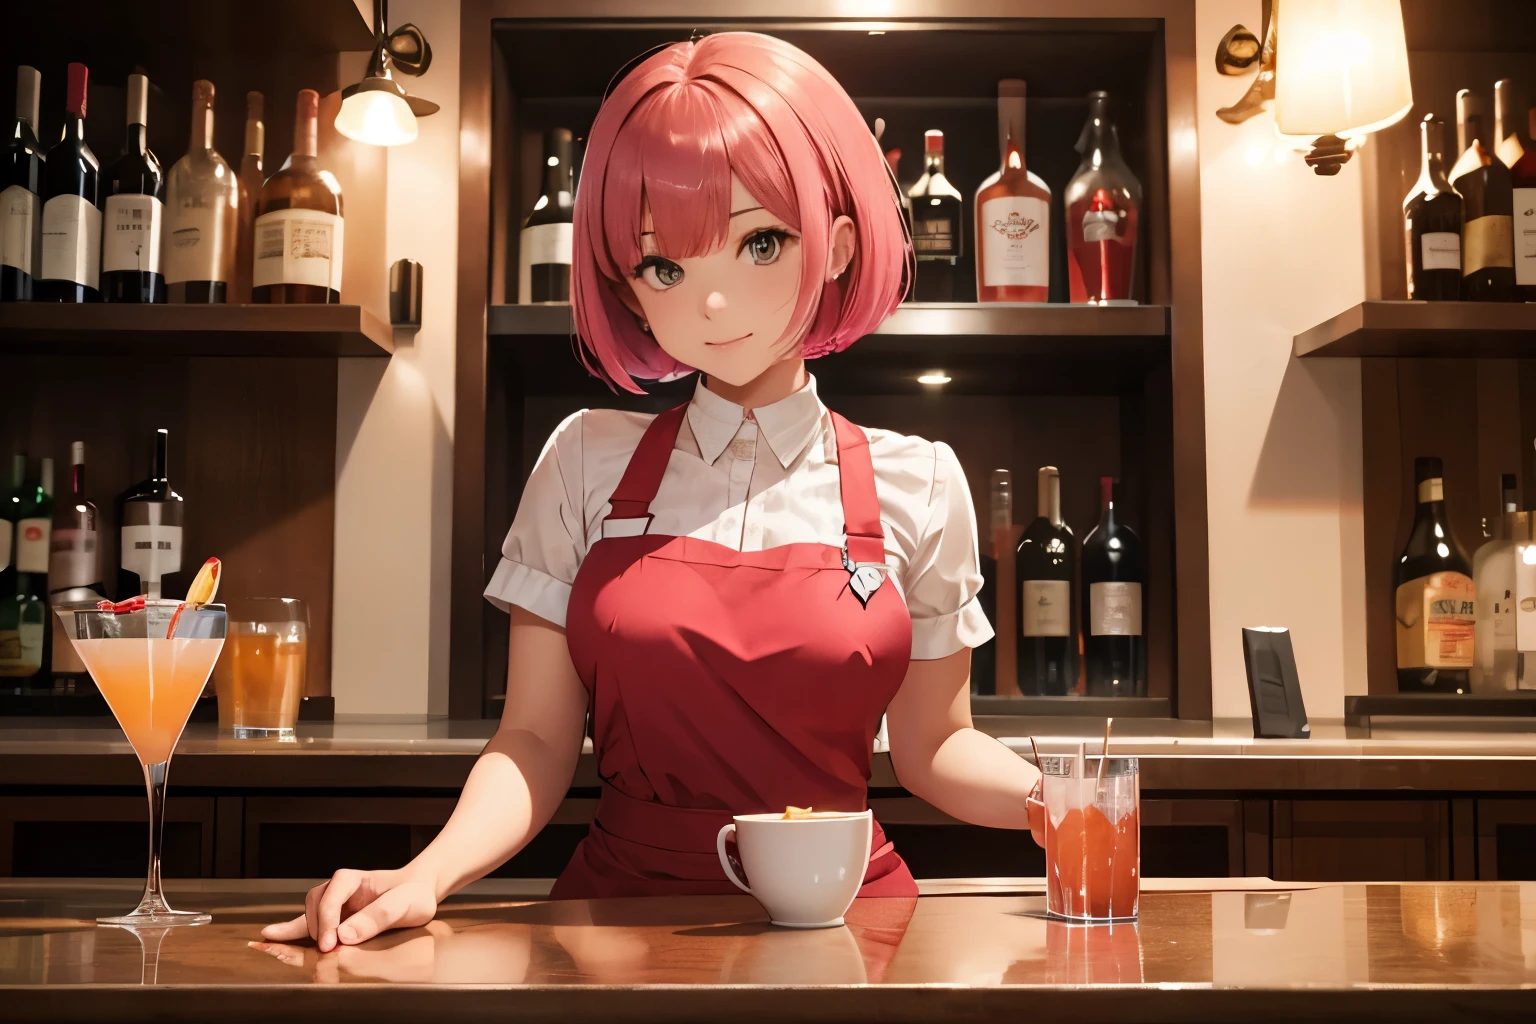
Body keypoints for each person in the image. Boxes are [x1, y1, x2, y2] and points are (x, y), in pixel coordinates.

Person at [263, 31, 1043, 953]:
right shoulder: (584, 459)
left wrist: (1059, 800)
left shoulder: (920, 481)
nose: (710, 304)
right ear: (630, 291)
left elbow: (933, 748)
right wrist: (426, 873)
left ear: (835, 247)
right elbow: (538, 743)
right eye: (666, 266)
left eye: (760, 242)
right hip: (615, 925)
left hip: (849, 925)